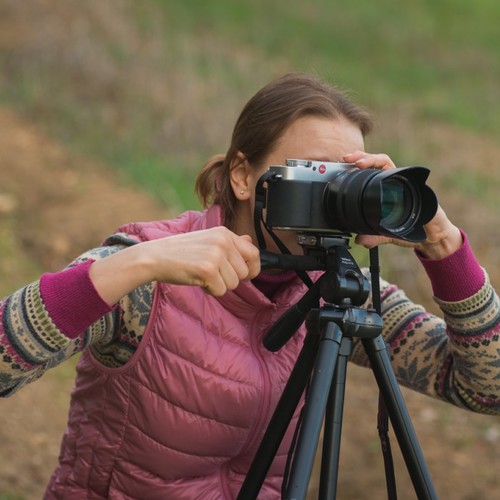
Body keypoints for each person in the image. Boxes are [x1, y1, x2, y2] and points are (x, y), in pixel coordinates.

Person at [0, 72, 499, 499]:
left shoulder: (336, 288)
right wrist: (136, 263)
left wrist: (442, 243)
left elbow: (487, 388)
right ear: (243, 175)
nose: (333, 198)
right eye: (314, 175)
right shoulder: (150, 276)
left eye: (347, 180)